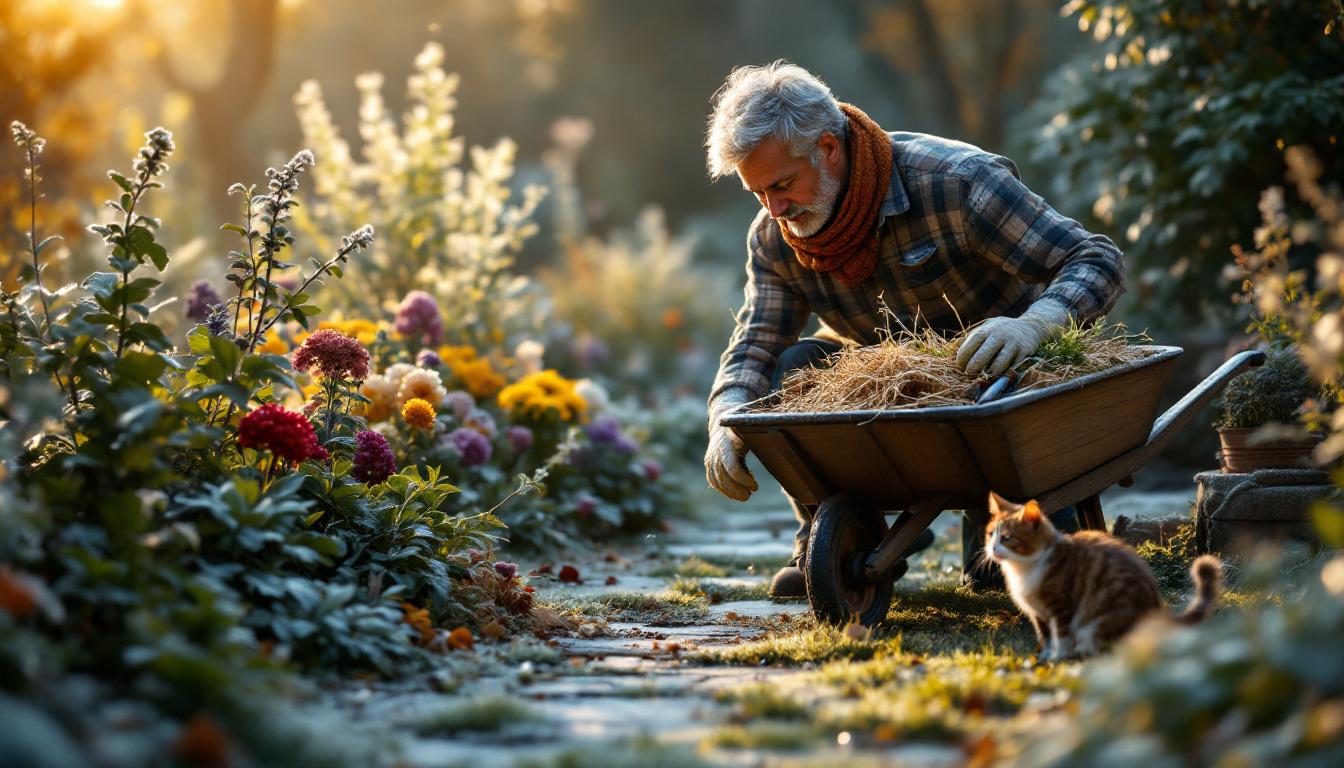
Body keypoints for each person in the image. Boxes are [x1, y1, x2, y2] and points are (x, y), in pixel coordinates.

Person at [702, 62, 1125, 598]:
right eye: (758, 192)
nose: (775, 209)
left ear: (828, 149)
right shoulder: (773, 236)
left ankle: (984, 520)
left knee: (996, 580)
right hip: (885, 399)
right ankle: (843, 529)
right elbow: (757, 341)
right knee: (793, 369)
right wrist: (725, 418)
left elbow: (1095, 258)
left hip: (997, 388)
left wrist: (1035, 325)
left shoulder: (958, 183)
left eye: (782, 185)